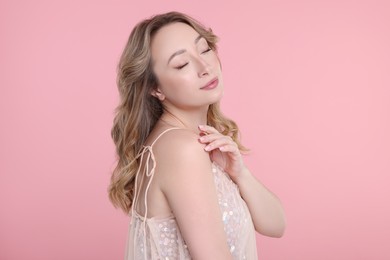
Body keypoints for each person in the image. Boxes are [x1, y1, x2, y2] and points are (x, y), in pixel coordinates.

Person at [108, 11, 286, 260]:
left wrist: (239, 174)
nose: (205, 67)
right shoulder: (182, 149)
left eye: (204, 49)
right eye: (182, 64)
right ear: (155, 88)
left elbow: (276, 225)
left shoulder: (186, 141)